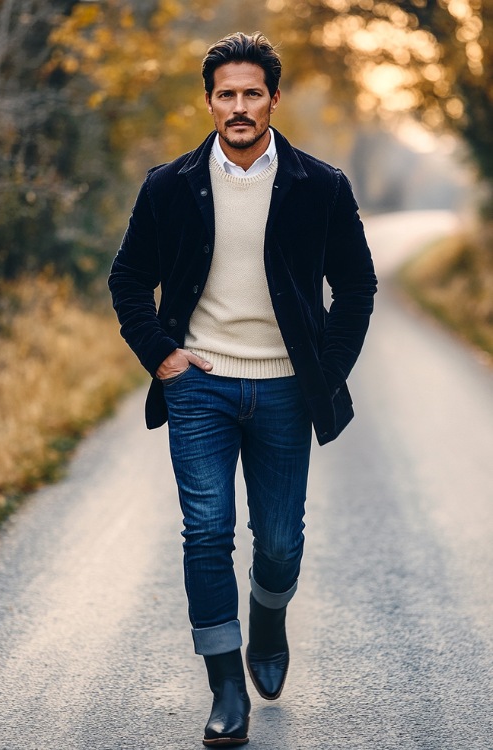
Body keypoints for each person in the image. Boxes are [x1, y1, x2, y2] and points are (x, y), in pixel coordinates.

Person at [109, 31, 377, 747]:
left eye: (251, 93)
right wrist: (161, 355)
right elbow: (128, 280)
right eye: (225, 94)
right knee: (205, 533)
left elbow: (355, 285)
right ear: (208, 101)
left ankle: (268, 616)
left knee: (281, 542)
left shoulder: (320, 185)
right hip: (199, 385)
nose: (238, 106)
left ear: (273, 99)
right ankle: (226, 685)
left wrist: (330, 366)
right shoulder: (169, 186)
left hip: (288, 388)